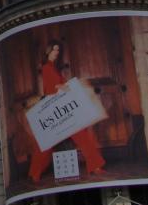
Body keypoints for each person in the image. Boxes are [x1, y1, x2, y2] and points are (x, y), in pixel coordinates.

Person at [27, 41, 106, 182]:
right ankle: (34, 173)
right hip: (56, 110)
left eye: (58, 50)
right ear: (48, 51)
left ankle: (95, 166)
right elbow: (52, 89)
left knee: (81, 136)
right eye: (54, 50)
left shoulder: (53, 67)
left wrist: (67, 86)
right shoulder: (46, 67)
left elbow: (59, 86)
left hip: (63, 109)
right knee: (47, 142)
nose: (56, 52)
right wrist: (65, 86)